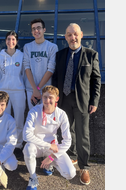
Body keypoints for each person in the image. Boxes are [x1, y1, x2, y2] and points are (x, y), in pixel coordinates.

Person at [52, 23, 101, 185]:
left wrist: (94, 101)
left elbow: (96, 80)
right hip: (64, 100)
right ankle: (71, 157)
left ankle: (84, 166)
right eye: (69, 35)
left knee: (83, 134)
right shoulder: (60, 55)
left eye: (75, 34)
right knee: (67, 131)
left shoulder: (91, 55)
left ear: (81, 35)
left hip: (82, 101)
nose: (72, 37)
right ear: (65, 37)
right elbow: (56, 78)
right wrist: (54, 99)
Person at [22, 85, 76, 190]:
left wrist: (52, 157)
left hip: (51, 149)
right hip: (37, 146)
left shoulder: (62, 114)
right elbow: (26, 135)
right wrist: (47, 145)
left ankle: (50, 163)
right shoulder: (34, 111)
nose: (47, 100)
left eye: (50, 97)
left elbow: (68, 140)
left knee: (70, 173)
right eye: (45, 97)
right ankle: (33, 178)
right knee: (28, 149)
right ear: (42, 97)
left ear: (57, 99)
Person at [0, 31, 26, 159]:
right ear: (5, 41)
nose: (10, 42)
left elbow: (24, 75)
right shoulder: (0, 55)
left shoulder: (21, 55)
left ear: (16, 41)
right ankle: (6, 144)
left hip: (18, 91)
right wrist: (3, 85)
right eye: (8, 39)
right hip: (4, 91)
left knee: (19, 119)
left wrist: (19, 85)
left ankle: (18, 145)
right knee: (5, 119)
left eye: (13, 39)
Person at [23, 18, 58, 110]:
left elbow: (50, 70)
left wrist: (38, 89)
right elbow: (27, 68)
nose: (36, 31)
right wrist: (35, 90)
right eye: (33, 29)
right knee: (33, 117)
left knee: (47, 117)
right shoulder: (27, 47)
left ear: (44, 30)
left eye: (38, 28)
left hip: (47, 90)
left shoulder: (52, 47)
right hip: (31, 89)